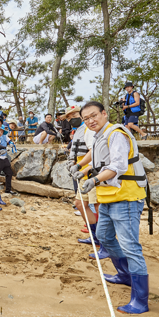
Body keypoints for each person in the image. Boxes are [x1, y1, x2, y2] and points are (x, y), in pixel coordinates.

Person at [77, 100, 150, 314]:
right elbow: (98, 160)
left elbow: (118, 165)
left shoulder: (116, 133)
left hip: (125, 196)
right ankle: (125, 275)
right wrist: (81, 170)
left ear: (104, 114)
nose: (90, 121)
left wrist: (94, 180)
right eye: (86, 119)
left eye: (93, 116)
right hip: (108, 197)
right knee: (105, 236)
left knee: (130, 246)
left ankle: (140, 300)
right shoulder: (101, 136)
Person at [63, 104, 108, 260]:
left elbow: (93, 152)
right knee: (80, 203)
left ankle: (104, 242)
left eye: (72, 115)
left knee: (96, 205)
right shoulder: (79, 130)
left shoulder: (89, 129)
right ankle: (95, 236)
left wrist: (81, 168)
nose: (70, 119)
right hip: (83, 171)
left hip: (90, 172)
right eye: (68, 117)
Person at [0, 124, 15, 194]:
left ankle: (8, 190)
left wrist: (11, 143)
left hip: (5, 158)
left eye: (2, 132)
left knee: (9, 173)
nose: (0, 133)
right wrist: (3, 147)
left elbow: (9, 141)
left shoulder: (4, 136)